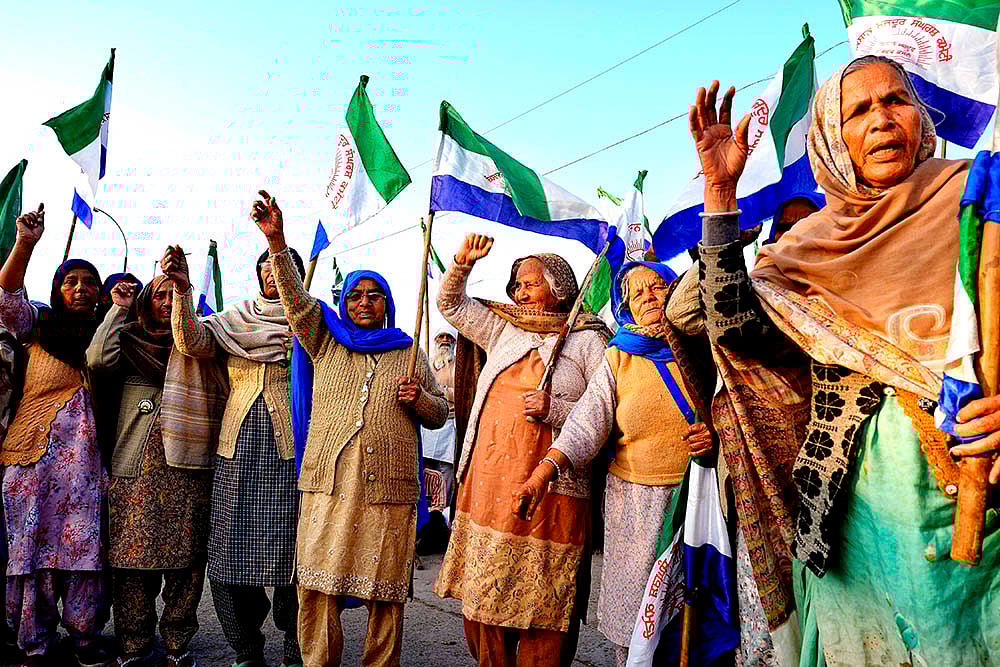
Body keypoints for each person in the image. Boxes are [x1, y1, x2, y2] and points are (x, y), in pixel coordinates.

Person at [691, 56, 1000, 666]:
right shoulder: (806, 247)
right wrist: (720, 194)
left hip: (977, 496)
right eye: (858, 110)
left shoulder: (978, 199)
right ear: (833, 138)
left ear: (921, 119)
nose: (882, 119)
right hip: (850, 510)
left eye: (896, 101)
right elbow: (734, 330)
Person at [250, 190, 448, 667]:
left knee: (386, 592)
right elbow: (297, 304)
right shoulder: (324, 340)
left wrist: (419, 399)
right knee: (317, 587)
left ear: (388, 303)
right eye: (355, 295)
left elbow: (440, 413)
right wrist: (277, 241)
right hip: (329, 486)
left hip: (388, 491)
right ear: (343, 302)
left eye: (374, 295)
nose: (364, 302)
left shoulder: (409, 351)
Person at [513, 261, 719, 666]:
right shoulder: (618, 358)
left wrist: (715, 434)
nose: (649, 298)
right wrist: (542, 474)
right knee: (640, 617)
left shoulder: (703, 348)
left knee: (699, 614)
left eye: (657, 287)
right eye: (637, 294)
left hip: (699, 498)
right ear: (626, 308)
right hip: (635, 506)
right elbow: (584, 425)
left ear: (676, 292)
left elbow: (733, 410)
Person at [433, 234, 609, 667]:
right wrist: (462, 263)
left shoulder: (589, 341)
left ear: (560, 289)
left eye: (531, 283)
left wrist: (555, 408)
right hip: (489, 484)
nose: (520, 292)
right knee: (485, 592)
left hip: (555, 490)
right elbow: (451, 305)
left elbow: (605, 410)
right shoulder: (504, 329)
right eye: (517, 285)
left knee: (545, 599)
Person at [161, 243, 306, 667]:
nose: (273, 275)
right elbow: (190, 341)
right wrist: (182, 289)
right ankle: (246, 648)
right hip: (235, 455)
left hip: (294, 457)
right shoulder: (236, 320)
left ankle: (296, 648)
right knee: (228, 557)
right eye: (266, 268)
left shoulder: (313, 324)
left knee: (296, 558)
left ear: (295, 276)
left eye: (281, 268)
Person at [87, 274, 224, 667]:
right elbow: (97, 359)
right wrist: (119, 308)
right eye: (159, 295)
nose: (166, 301)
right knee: (131, 561)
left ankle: (178, 644)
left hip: (188, 468)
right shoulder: (129, 339)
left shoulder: (198, 344)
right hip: (135, 468)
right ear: (146, 301)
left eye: (173, 294)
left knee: (187, 562)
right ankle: (134, 644)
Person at [0, 204, 110, 667]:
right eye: (71, 282)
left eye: (89, 282)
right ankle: (34, 642)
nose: (81, 288)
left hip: (87, 469)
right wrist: (25, 243)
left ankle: (85, 639)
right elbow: (6, 298)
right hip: (32, 462)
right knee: (32, 554)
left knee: (84, 552)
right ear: (57, 289)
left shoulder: (109, 332)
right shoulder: (38, 328)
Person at [421, 325, 458, 513]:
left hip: (449, 423)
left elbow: (462, 393)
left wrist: (441, 390)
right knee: (425, 465)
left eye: (448, 338)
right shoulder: (427, 362)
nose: (444, 341)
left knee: (446, 468)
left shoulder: (458, 366)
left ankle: (443, 509)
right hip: (428, 423)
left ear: (454, 342)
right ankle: (425, 506)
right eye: (441, 337)